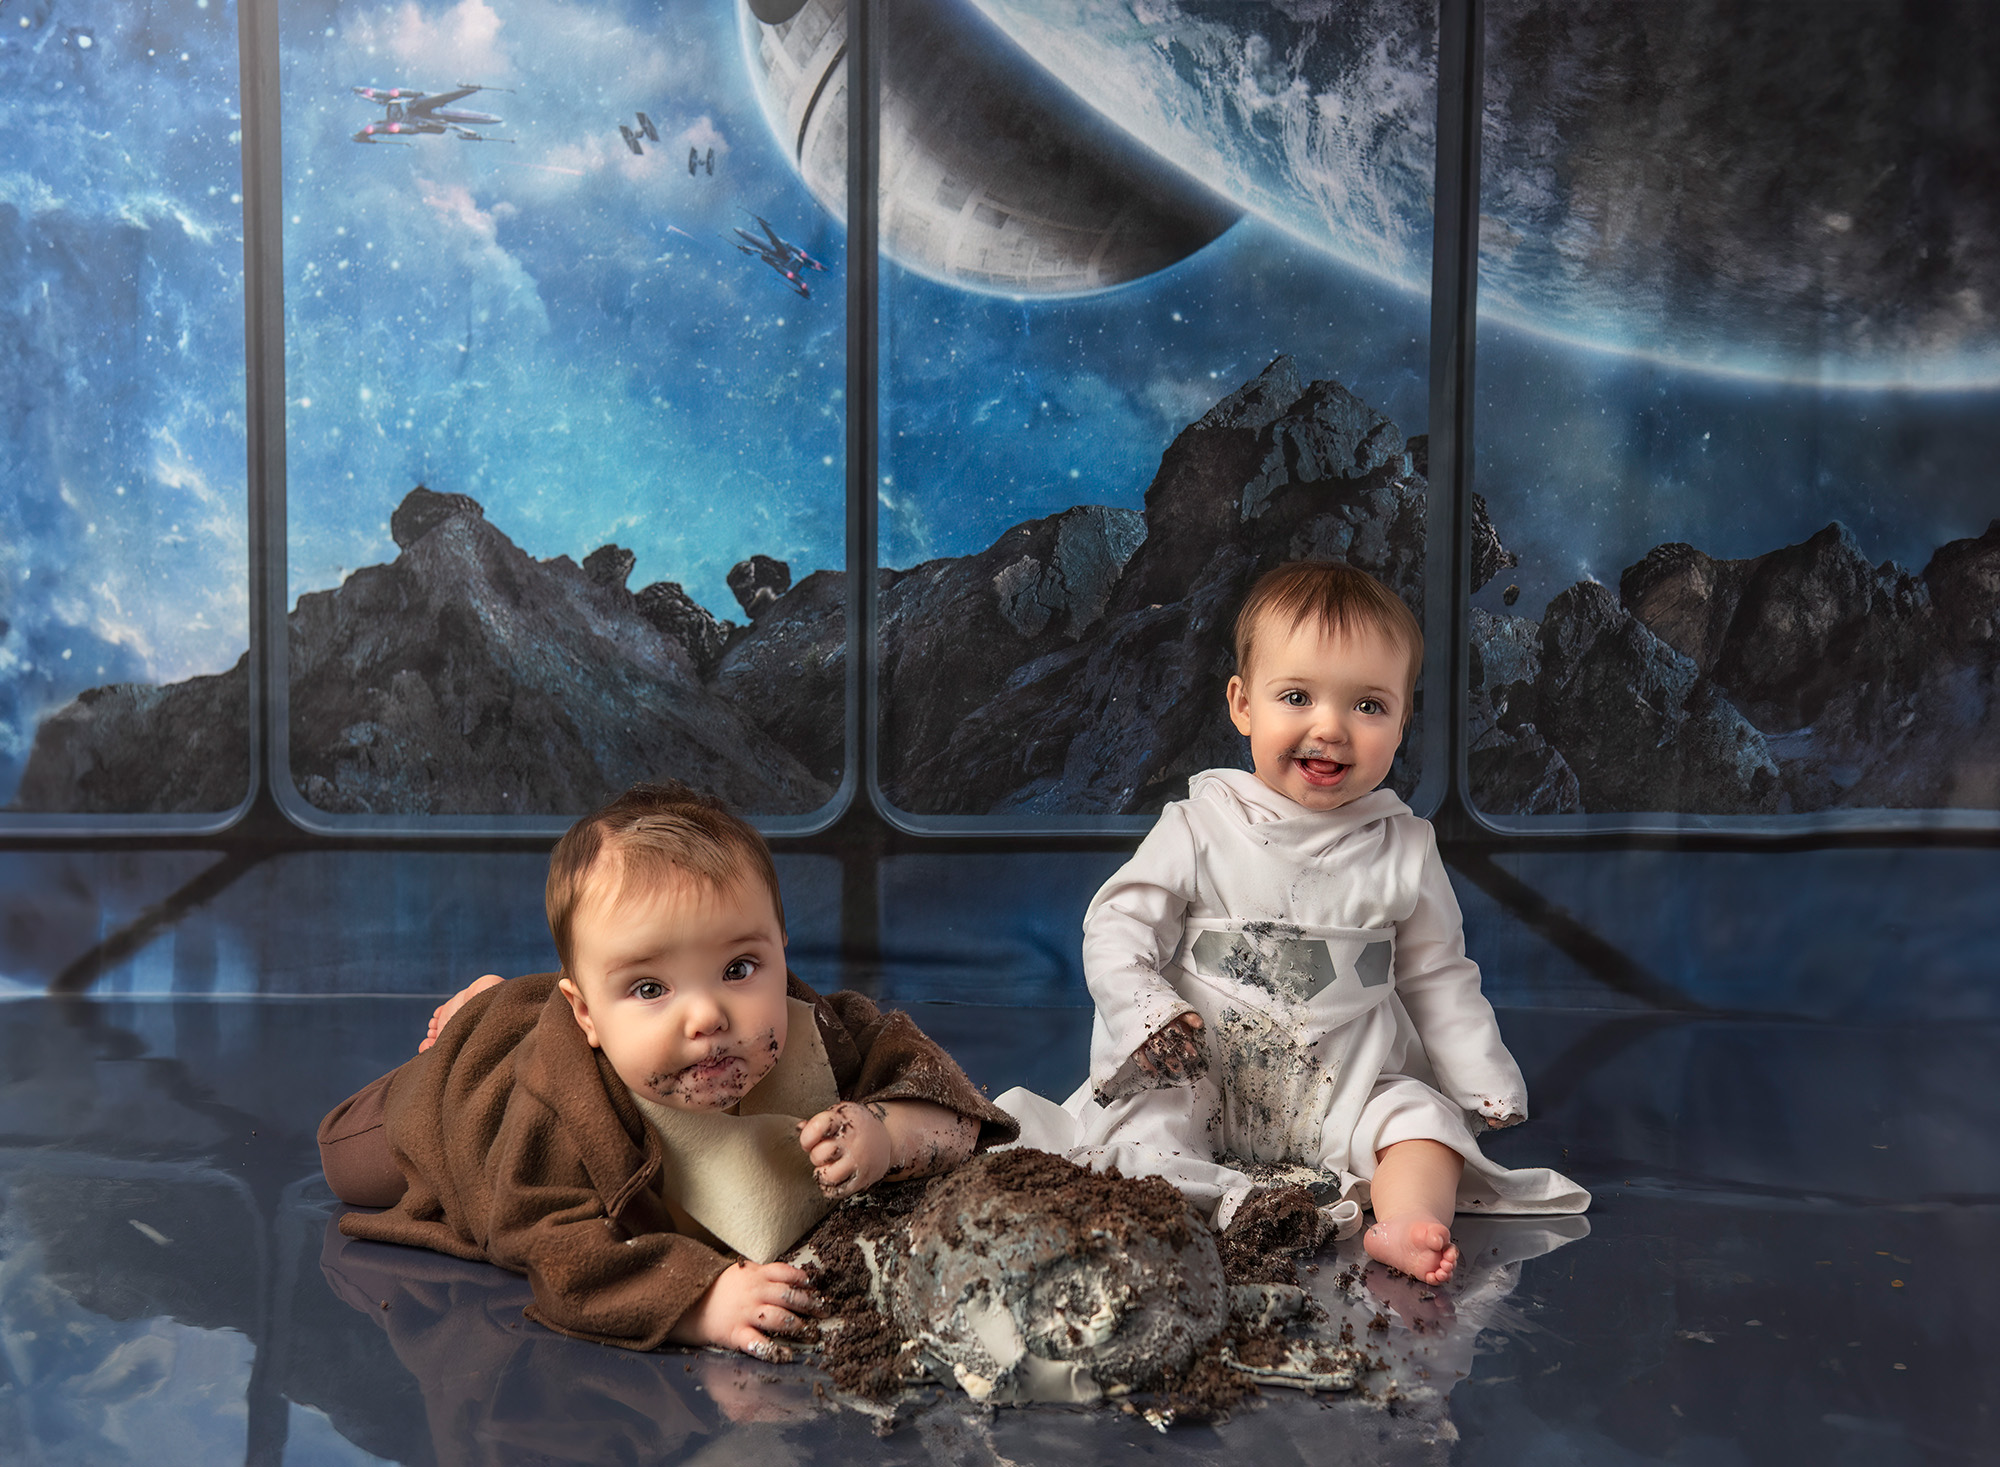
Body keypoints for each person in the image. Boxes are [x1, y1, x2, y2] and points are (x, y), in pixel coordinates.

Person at [997, 561, 1588, 1287]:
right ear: (1243, 705)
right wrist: (1149, 1011)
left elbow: (1437, 974)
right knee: (1143, 1137)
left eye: (1369, 706)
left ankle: (1401, 1221)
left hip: (1345, 1081)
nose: (1330, 727)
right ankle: (1198, 1210)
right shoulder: (1199, 824)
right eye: (1298, 696)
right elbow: (1118, 927)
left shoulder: (1405, 847)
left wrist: (1481, 1076)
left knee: (1422, 1127)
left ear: (1404, 718)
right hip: (1206, 1071)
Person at [319, 781, 1016, 1360]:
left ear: (780, 949)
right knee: (346, 1160)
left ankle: (533, 997)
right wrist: (700, 1300)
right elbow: (551, 1245)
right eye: (651, 988)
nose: (707, 1016)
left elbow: (934, 1083)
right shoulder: (556, 1107)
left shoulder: (822, 1029)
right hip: (467, 1091)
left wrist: (888, 1131)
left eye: (739, 968)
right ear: (587, 1017)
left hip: (577, 1015)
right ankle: (494, 1009)